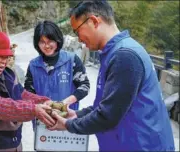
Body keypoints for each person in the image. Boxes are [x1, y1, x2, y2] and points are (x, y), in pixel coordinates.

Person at [48, 1, 175, 151]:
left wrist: (68, 125)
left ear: (94, 21)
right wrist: (76, 114)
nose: (79, 39)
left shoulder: (124, 56)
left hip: (139, 146)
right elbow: (107, 105)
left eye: (77, 31)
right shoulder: (116, 51)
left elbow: (107, 116)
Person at [24, 20, 90, 111]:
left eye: (50, 41)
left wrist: (63, 104)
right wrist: (40, 106)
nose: (46, 46)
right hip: (42, 118)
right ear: (37, 44)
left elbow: (84, 86)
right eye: (42, 42)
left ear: (57, 40)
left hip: (68, 117)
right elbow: (28, 93)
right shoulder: (33, 65)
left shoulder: (72, 60)